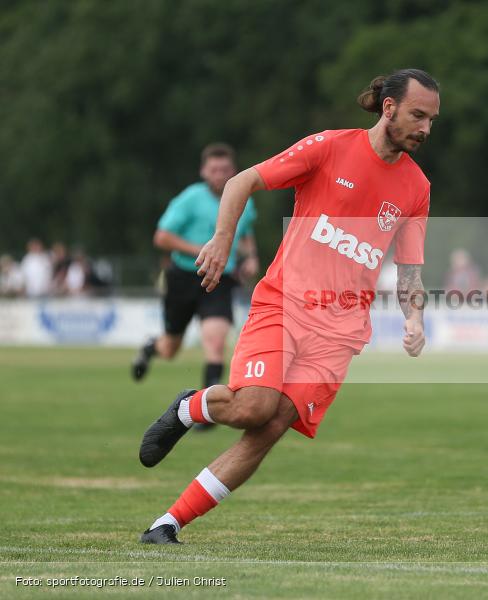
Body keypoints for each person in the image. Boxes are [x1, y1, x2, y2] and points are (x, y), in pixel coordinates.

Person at [137, 68, 439, 544]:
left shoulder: (416, 188)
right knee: (253, 407)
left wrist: (415, 315)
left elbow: (410, 269)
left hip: (340, 332)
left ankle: (168, 524)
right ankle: (189, 408)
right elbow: (241, 182)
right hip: (286, 304)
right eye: (418, 115)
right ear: (389, 108)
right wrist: (221, 240)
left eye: (431, 120)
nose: (425, 128)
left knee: (272, 425)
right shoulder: (328, 147)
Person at [131, 144, 259, 402]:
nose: (220, 175)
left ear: (233, 171)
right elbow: (162, 237)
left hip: (220, 279)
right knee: (170, 349)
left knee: (215, 342)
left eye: (225, 169)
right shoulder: (190, 198)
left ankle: (207, 408)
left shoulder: (244, 199)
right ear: (204, 171)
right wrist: (202, 250)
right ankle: (150, 348)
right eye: (214, 170)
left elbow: (245, 234)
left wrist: (251, 257)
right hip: (184, 277)